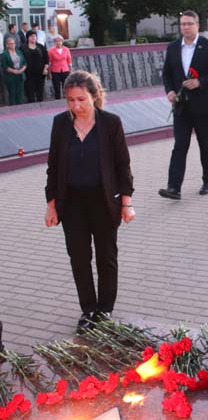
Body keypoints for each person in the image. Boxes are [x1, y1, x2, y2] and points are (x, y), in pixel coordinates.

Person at [45, 71, 135, 333]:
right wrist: (51, 205)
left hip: (104, 200)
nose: (75, 106)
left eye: (81, 100)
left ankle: (105, 310)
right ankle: (88, 309)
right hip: (71, 202)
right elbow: (53, 167)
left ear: (94, 97)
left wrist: (126, 203)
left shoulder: (110, 123)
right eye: (70, 100)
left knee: (106, 256)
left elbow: (123, 166)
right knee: (79, 257)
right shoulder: (60, 124)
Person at [159, 10, 208, 200]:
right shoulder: (173, 47)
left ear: (197, 25)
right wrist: (170, 91)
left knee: (205, 144)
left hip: (203, 105)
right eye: (183, 24)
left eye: (189, 24)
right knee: (180, 144)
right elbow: (166, 74)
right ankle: (173, 187)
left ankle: (207, 180)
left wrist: (200, 82)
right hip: (181, 106)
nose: (186, 27)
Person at [21, 30, 49, 102]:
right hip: (28, 74)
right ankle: (31, 110)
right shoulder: (23, 47)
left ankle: (41, 109)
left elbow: (46, 59)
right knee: (30, 93)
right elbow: (21, 60)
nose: (33, 37)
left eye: (34, 36)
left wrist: (45, 69)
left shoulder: (40, 46)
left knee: (40, 93)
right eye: (31, 36)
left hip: (40, 73)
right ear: (28, 37)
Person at [1, 36, 27, 105]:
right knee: (12, 93)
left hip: (20, 75)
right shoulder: (4, 54)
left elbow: (24, 63)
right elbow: (4, 66)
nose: (12, 45)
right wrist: (14, 71)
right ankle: (13, 109)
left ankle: (20, 108)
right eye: (10, 43)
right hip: (10, 76)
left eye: (13, 43)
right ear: (7, 45)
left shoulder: (19, 52)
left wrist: (21, 70)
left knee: (20, 93)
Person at [48, 34, 72, 99]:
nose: (58, 42)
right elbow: (50, 63)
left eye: (59, 41)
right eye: (56, 41)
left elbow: (69, 61)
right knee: (56, 87)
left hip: (65, 70)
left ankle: (66, 99)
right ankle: (57, 100)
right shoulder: (51, 51)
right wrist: (49, 73)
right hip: (55, 71)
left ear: (62, 41)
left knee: (66, 86)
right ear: (54, 42)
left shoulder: (66, 49)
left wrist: (70, 70)